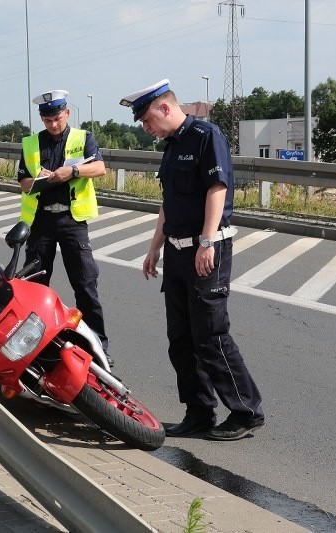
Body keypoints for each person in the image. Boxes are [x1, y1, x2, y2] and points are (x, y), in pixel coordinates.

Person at [120, 79, 264, 441]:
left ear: (166, 108)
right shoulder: (170, 147)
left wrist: (206, 240)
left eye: (147, 119)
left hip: (207, 249)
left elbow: (218, 188)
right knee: (181, 339)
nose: (145, 127)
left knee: (211, 335)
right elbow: (168, 203)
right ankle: (199, 411)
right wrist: (154, 246)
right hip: (176, 250)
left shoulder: (206, 135)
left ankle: (246, 411)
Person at [17, 89, 110, 356]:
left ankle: (97, 347)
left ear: (67, 113)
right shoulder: (31, 143)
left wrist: (73, 171)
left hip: (72, 220)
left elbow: (100, 168)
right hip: (42, 220)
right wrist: (41, 180)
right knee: (35, 286)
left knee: (85, 285)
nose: (53, 124)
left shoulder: (84, 138)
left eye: (57, 118)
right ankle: (35, 346)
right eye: (47, 120)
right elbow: (24, 183)